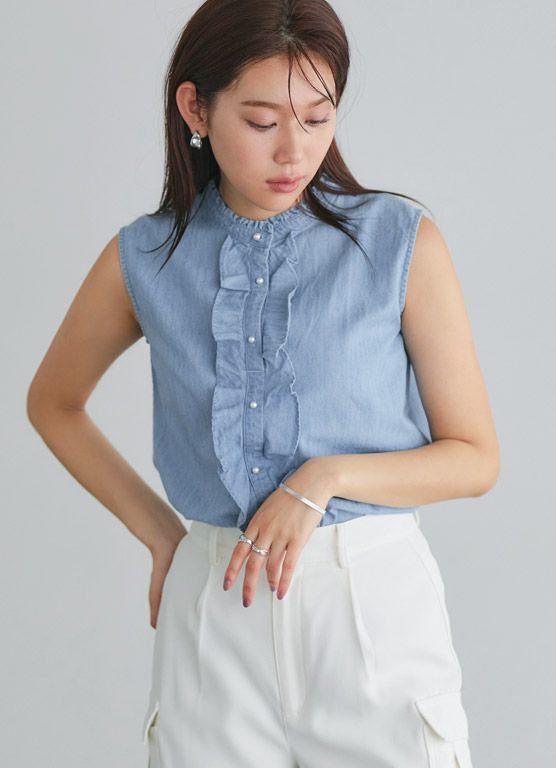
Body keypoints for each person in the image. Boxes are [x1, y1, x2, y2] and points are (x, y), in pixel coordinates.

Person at [26, 1, 499, 766]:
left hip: (366, 613)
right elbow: (53, 403)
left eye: (317, 118)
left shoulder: (399, 242)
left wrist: (324, 477)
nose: (294, 150)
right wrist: (163, 536)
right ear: (196, 110)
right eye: (261, 121)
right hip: (213, 615)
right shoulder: (145, 257)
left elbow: (475, 458)